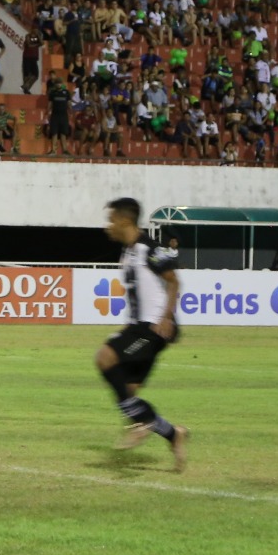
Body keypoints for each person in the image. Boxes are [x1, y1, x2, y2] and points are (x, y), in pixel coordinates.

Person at [96, 197, 188, 471]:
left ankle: (141, 423)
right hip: (140, 326)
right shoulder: (127, 252)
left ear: (124, 220)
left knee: (104, 357)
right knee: (130, 393)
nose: (108, 227)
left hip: (153, 327)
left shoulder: (150, 248)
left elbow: (173, 281)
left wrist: (166, 317)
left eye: (111, 220)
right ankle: (174, 434)